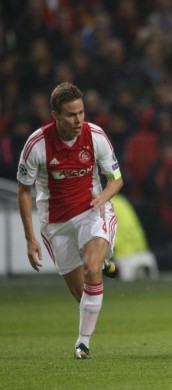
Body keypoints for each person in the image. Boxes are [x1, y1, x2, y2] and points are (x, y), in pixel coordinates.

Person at [16, 82, 123, 359]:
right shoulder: (36, 145)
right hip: (56, 224)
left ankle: (82, 343)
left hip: (92, 211)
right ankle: (104, 263)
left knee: (91, 268)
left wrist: (102, 198)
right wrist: (30, 237)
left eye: (81, 112)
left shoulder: (95, 136)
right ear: (55, 115)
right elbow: (24, 191)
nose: (78, 120)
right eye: (71, 115)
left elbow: (116, 180)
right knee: (82, 295)